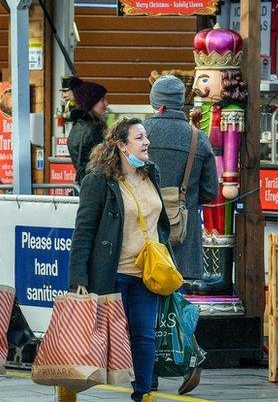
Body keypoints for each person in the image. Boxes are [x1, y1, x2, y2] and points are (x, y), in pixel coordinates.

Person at [69, 117, 189, 401]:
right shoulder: (99, 181)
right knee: (96, 337)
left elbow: (159, 221)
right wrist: (77, 279)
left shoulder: (151, 173)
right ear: (122, 146)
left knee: (144, 335)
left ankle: (143, 393)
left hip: (147, 272)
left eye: (145, 136)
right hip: (113, 273)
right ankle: (68, 383)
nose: (147, 142)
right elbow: (83, 231)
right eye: (139, 138)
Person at [145, 76, 219, 284]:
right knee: (179, 305)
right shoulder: (198, 138)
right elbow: (210, 191)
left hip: (145, 240)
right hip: (184, 239)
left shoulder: (139, 134)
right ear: (181, 101)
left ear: (154, 101)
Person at [67, 76, 109, 185]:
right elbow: (104, 162)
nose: (106, 103)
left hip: (86, 184)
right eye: (102, 100)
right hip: (97, 185)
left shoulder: (77, 128)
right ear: (90, 103)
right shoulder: (93, 129)